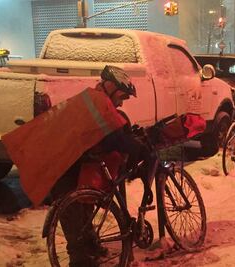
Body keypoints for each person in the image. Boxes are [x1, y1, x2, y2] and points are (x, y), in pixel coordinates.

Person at [50, 65, 146, 267]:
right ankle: (80, 260)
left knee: (84, 208)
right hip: (61, 163)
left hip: (72, 161)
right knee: (74, 215)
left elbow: (107, 131)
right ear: (110, 86)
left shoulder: (96, 98)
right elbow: (111, 136)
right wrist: (134, 145)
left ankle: (90, 246)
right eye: (121, 97)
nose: (120, 103)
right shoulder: (97, 102)